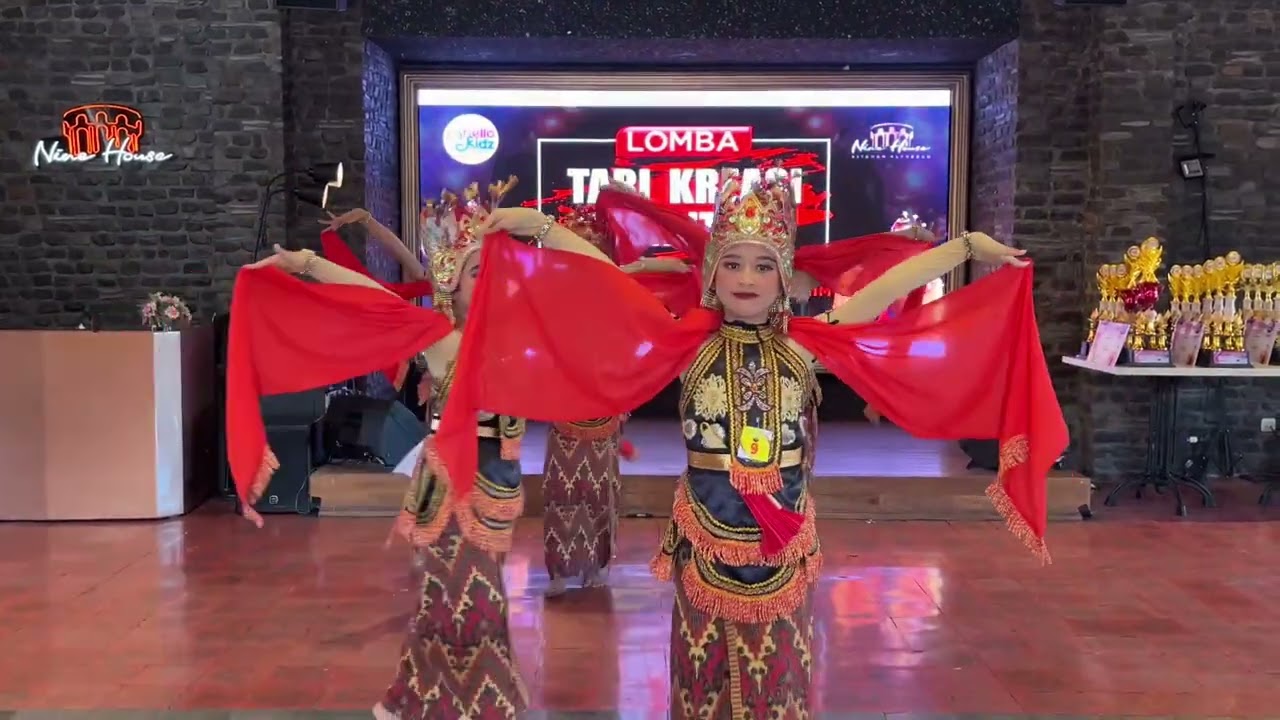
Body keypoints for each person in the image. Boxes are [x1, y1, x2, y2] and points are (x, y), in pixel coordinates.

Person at [427, 174, 1068, 719]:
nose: (746, 277)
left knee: (779, 675)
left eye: (763, 264)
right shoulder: (687, 345)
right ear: (711, 274)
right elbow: (604, 278)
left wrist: (965, 247)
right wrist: (539, 227)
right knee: (703, 672)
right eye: (732, 262)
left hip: (783, 543)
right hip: (705, 537)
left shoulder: (809, 345)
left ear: (784, 276)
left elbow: (886, 290)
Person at [224, 178, 536, 720]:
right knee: (469, 597)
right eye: (476, 272)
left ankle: (411, 695)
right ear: (451, 283)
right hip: (450, 484)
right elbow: (374, 298)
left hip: (498, 484)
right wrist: (307, 264)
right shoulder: (443, 337)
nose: (490, 283)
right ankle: (475, 701)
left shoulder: (519, 334)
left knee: (460, 597)